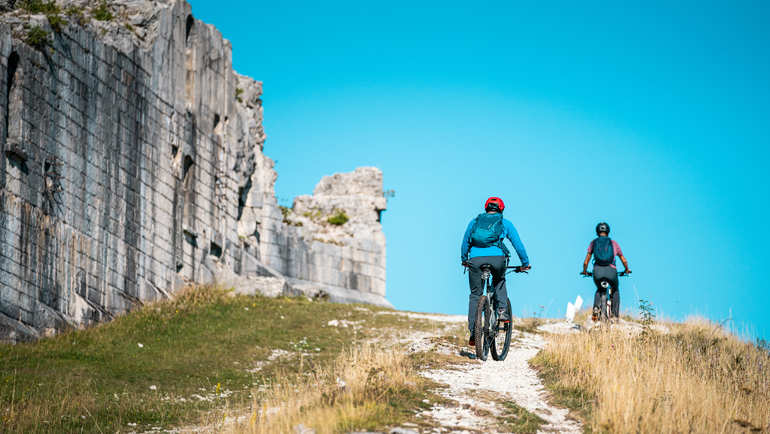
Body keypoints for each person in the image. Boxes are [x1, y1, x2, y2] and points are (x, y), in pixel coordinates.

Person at [461, 197, 530, 346]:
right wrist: (525, 263)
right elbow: (518, 244)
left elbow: (465, 241)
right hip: (497, 259)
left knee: (475, 294)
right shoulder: (505, 223)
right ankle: (502, 311)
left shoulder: (474, 222)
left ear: (486, 208)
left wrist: (464, 259)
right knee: (499, 280)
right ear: (501, 209)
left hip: (475, 259)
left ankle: (474, 331)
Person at [581, 222, 631, 320]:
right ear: (608, 231)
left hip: (597, 271)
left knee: (599, 289)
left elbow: (586, 262)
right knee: (615, 290)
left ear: (597, 231)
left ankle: (596, 307)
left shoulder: (593, 243)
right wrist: (627, 269)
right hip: (611, 271)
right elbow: (624, 260)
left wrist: (585, 271)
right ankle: (615, 315)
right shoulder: (614, 243)